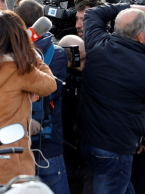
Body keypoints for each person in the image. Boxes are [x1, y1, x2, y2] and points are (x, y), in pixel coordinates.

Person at [76, 3, 145, 194]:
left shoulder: (97, 44)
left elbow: (93, 13)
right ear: (141, 36)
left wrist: (131, 6)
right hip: (115, 150)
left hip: (88, 142)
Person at [0, 10, 57, 184]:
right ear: (19, 36)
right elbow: (50, 85)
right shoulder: (19, 69)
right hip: (10, 151)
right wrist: (33, 55)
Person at [14, 0, 69, 193]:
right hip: (48, 139)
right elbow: (54, 90)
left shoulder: (6, 51)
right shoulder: (58, 53)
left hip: (13, 135)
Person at [58, 35, 92, 194]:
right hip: (64, 155)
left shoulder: (93, 78)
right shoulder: (54, 80)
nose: (87, 63)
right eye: (82, 59)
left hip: (88, 158)